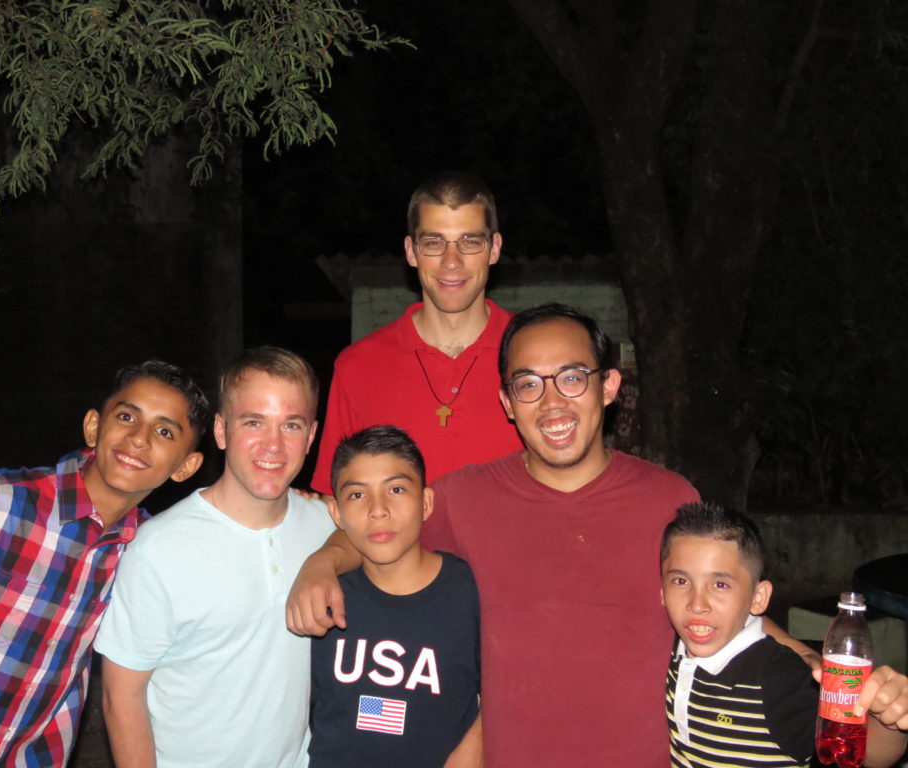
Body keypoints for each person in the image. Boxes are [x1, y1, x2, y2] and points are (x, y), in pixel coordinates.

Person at [289, 303, 815, 766]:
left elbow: (724, 600)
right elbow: (380, 523)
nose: (552, 402)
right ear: (507, 402)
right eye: (529, 384)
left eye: (571, 377)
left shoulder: (667, 497)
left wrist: (805, 659)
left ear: (608, 386)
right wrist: (323, 563)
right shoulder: (466, 497)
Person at [0, 360, 208, 768]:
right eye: (127, 416)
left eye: (164, 431)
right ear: (94, 426)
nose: (139, 438)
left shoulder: (147, 553)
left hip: (33, 756)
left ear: (185, 466)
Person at [96, 347, 336, 768]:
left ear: (312, 436)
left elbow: (365, 540)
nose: (274, 446)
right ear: (222, 432)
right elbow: (121, 696)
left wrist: (326, 559)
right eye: (254, 422)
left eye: (291, 425)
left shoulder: (326, 525)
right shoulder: (158, 548)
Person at [310, 171, 520, 494]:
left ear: (494, 249)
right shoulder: (357, 367)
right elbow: (333, 502)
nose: (452, 261)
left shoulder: (533, 354)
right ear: (411, 251)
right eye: (434, 242)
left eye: (470, 242)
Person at [661, 502, 908, 767]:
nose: (697, 604)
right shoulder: (668, 649)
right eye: (680, 581)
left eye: (720, 584)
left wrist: (888, 721)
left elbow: (872, 755)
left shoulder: (779, 677)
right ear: (662, 592)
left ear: (758, 598)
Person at [309, 426, 481, 768]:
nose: (378, 510)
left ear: (426, 502)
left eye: (397, 489)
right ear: (336, 513)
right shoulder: (323, 596)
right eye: (357, 495)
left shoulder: (470, 592)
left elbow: (505, 692)